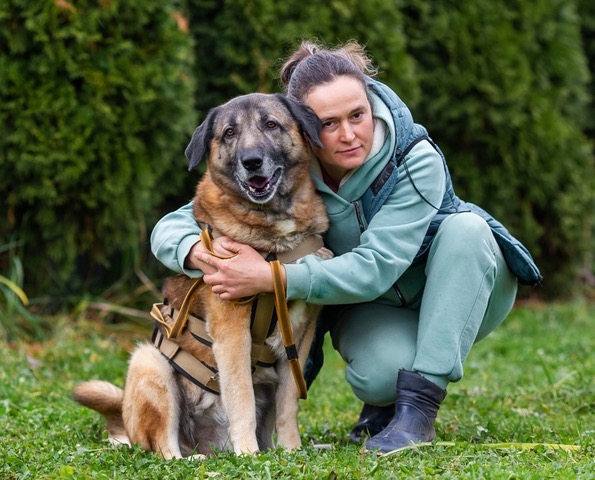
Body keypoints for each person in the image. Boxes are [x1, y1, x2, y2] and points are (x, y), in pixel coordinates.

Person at [150, 40, 542, 454]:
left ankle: (417, 412)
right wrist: (196, 252)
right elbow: (183, 219)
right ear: (305, 127)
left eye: (357, 115)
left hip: (464, 285)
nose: (349, 134)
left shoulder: (415, 159)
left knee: (467, 230)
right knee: (380, 374)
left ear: (371, 106)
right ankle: (388, 403)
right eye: (329, 123)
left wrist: (271, 277)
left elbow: (376, 267)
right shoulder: (293, 166)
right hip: (375, 304)